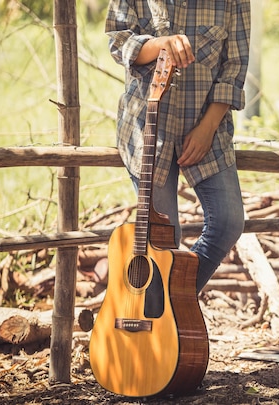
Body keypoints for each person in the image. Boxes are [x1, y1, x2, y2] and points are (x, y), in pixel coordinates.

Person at [105, 0, 251, 292]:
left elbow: (234, 67)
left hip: (207, 125)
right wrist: (160, 45)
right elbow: (118, 40)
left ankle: (172, 305)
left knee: (228, 221)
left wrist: (207, 128)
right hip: (147, 130)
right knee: (164, 241)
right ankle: (165, 323)